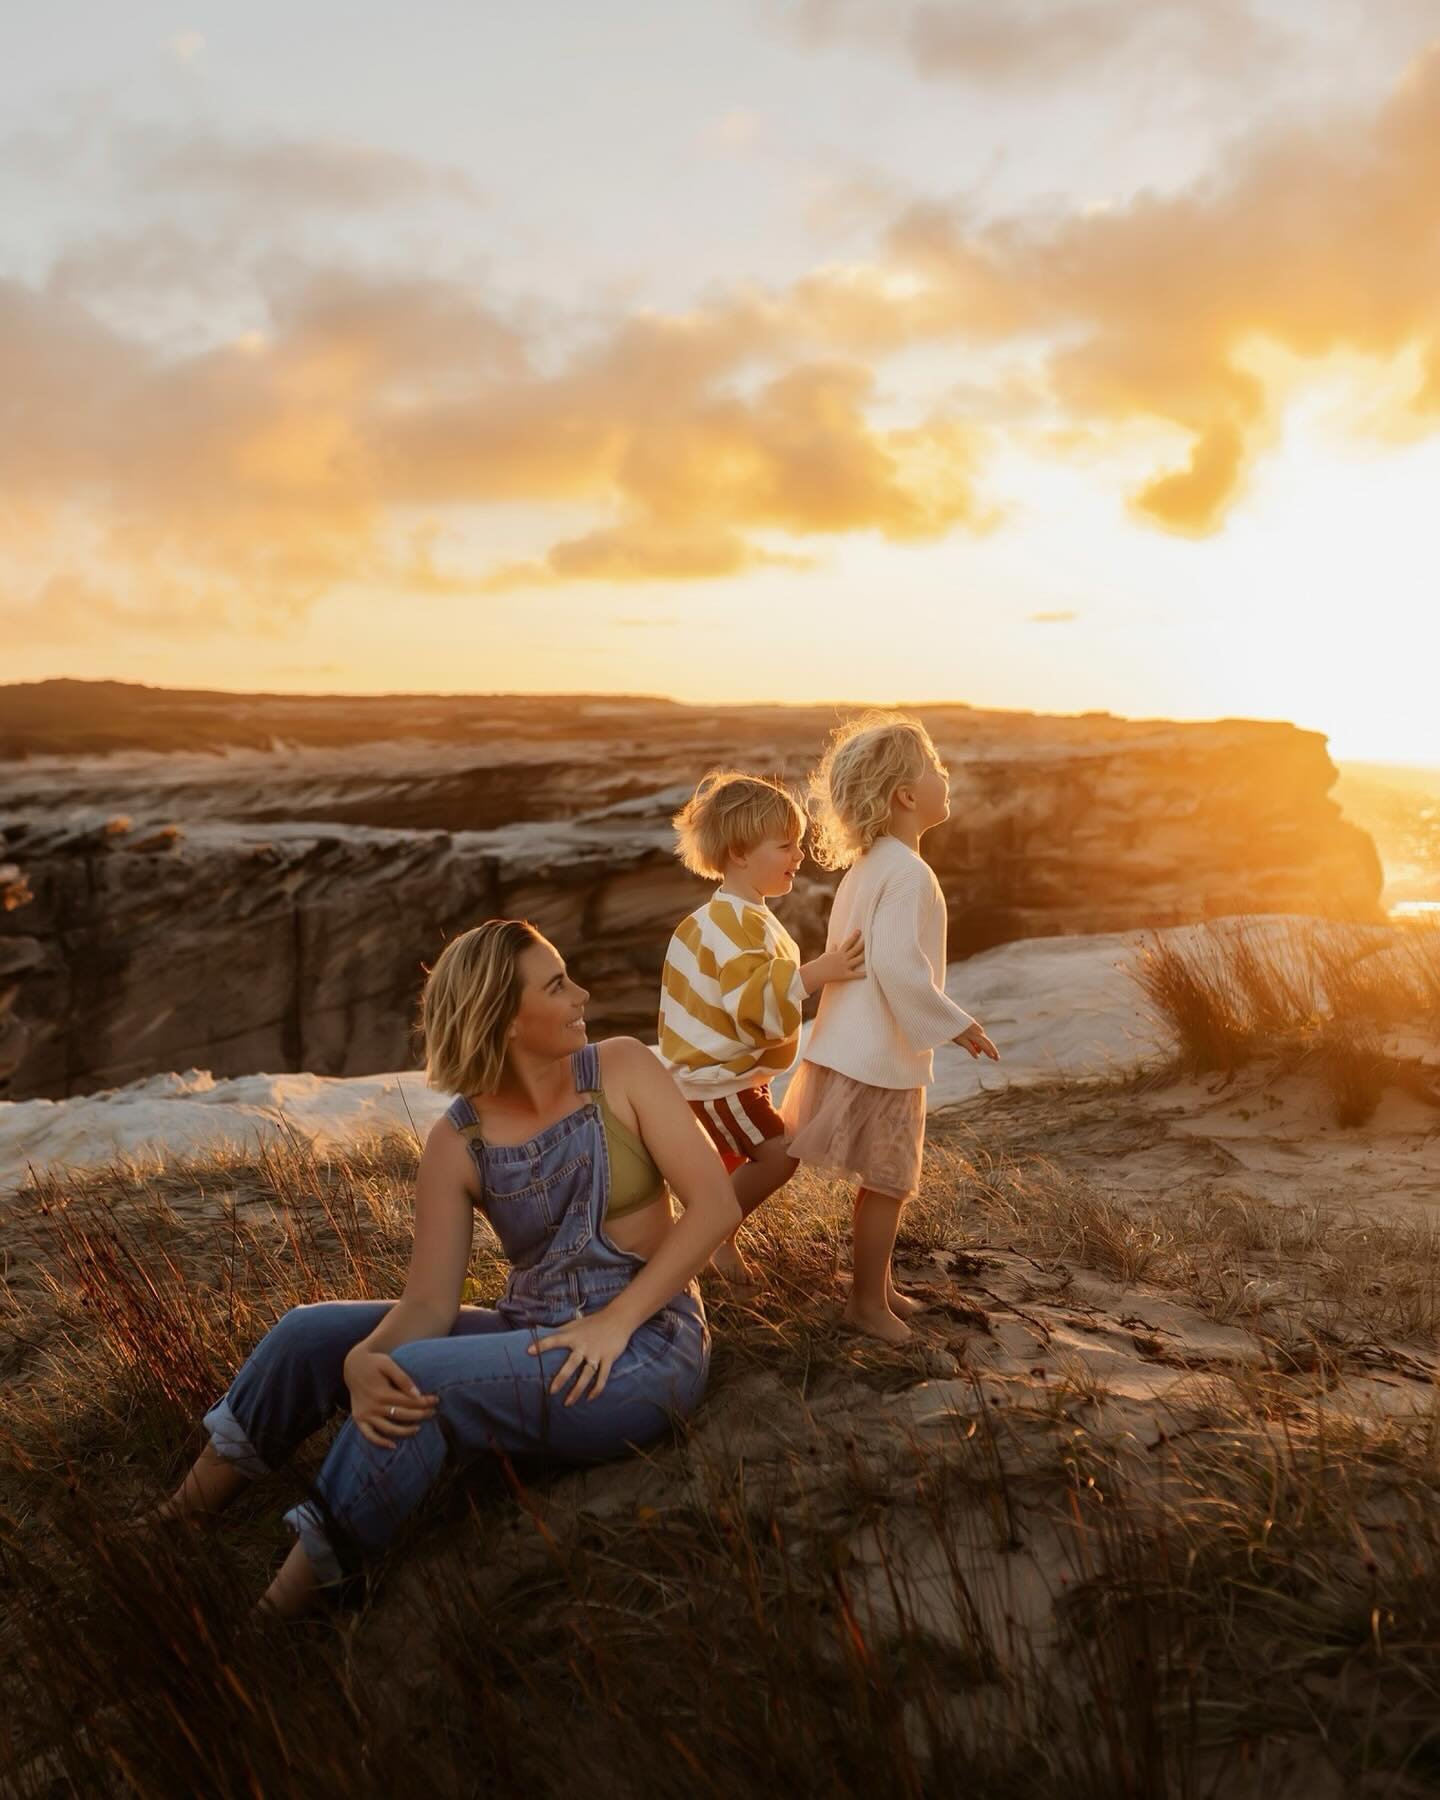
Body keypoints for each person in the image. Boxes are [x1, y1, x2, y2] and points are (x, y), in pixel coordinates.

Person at [152, 919, 741, 1616]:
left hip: (646, 1347)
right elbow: (428, 1305)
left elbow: (714, 1208)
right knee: (308, 1334)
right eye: (557, 985)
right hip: (533, 1335)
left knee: (423, 1378)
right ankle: (177, 1522)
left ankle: (279, 1617)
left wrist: (617, 1322)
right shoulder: (457, 1140)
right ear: (504, 1018)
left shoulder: (622, 1070)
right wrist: (362, 1362)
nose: (581, 994)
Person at [781, 714, 1000, 1343]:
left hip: (847, 1045)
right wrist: (956, 1024)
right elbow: (900, 968)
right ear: (906, 795)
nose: (946, 776)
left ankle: (875, 1290)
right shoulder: (908, 873)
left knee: (882, 1183)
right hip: (880, 1056)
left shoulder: (869, 866)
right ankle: (865, 1306)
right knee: (889, 1182)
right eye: (935, 767)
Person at [657, 770, 865, 1283]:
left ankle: (708, 1239)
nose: (799, 856)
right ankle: (709, 1238)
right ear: (739, 853)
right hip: (718, 1080)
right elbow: (750, 998)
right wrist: (817, 973)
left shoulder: (734, 915)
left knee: (732, 1161)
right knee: (776, 1156)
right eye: (785, 845)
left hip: (723, 1075)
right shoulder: (734, 922)